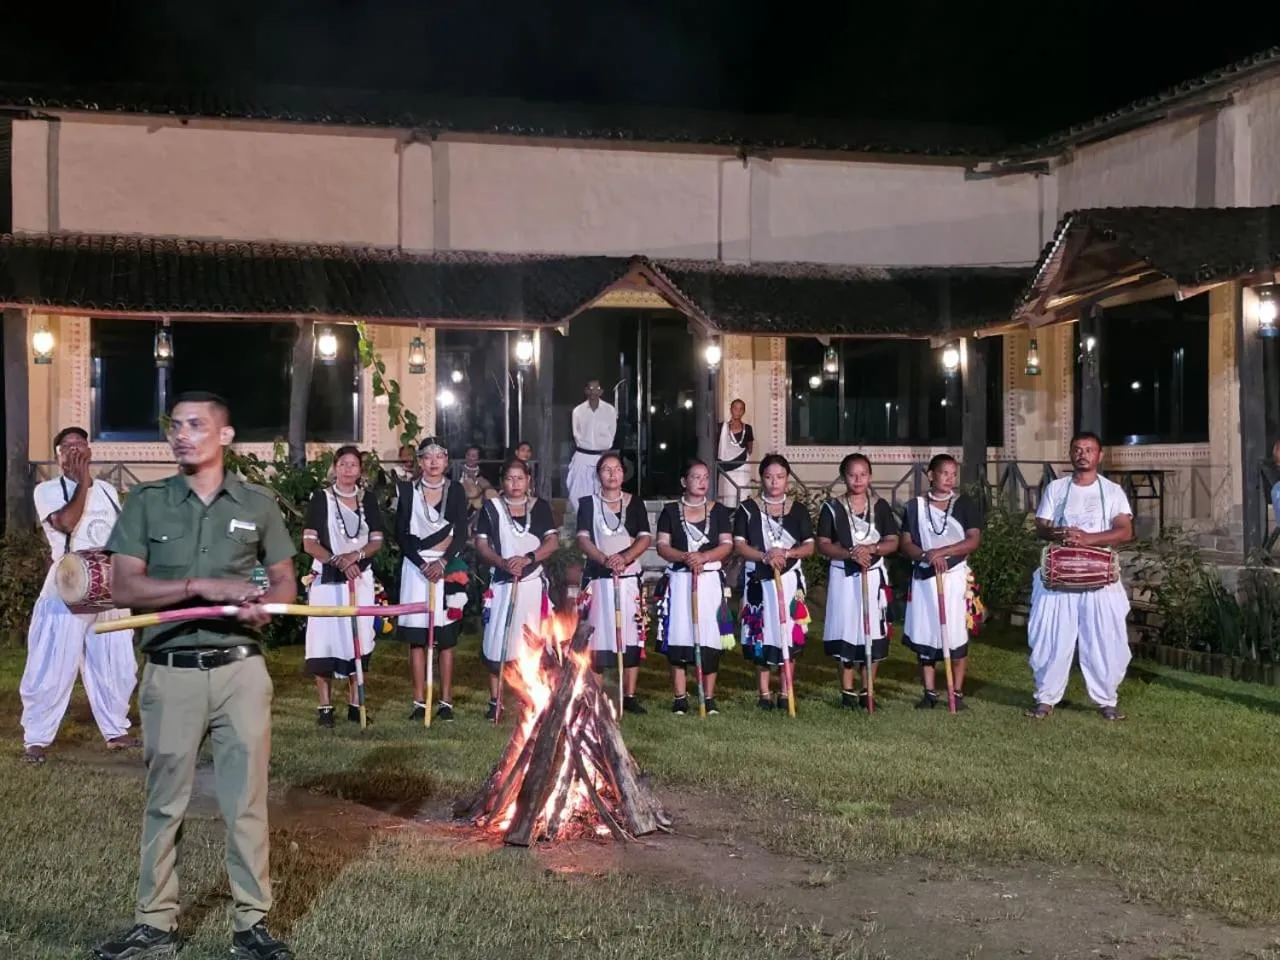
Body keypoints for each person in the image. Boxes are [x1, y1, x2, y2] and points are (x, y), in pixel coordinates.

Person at [96, 392, 297, 960]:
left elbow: (284, 580)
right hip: (170, 671)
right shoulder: (147, 501)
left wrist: (269, 606)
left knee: (246, 801)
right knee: (165, 803)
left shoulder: (257, 503)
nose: (181, 434)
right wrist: (199, 587)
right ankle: (154, 926)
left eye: (195, 425)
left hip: (241, 672)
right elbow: (123, 587)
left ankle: (251, 926)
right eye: (175, 425)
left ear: (225, 437)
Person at [20, 426, 139, 764]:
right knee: (51, 663)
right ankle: (37, 738)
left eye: (81, 445)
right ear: (59, 457)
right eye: (68, 446)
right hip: (67, 586)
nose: (76, 450)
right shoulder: (46, 490)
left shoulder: (107, 490)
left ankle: (116, 730)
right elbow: (68, 523)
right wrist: (82, 478)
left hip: (108, 586)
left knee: (117, 662)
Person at [1027, 431, 1134, 721]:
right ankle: (1045, 698)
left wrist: (1088, 539)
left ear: (1099, 456)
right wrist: (1058, 533)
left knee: (1104, 639)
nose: (1082, 454)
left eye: (1089, 449)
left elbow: (1125, 530)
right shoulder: (1057, 489)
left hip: (1099, 580)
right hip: (1059, 579)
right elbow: (1040, 526)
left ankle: (1106, 700)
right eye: (1077, 449)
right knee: (1050, 638)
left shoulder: (1112, 491)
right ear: (1071, 454)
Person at [301, 445, 386, 727]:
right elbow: (309, 543)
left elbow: (376, 541)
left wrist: (356, 557)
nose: (348, 469)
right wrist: (339, 561)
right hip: (328, 577)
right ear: (335, 467)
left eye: (354, 465)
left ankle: (355, 703)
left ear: (360, 469)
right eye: (343, 464)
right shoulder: (320, 499)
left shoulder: (368, 500)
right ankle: (325, 707)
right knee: (323, 639)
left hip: (359, 577)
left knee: (358, 639)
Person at [474, 457, 559, 720]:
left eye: (520, 478)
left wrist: (529, 558)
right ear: (502, 482)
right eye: (510, 479)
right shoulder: (492, 508)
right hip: (501, 582)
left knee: (531, 640)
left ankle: (532, 696)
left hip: (531, 583)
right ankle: (495, 700)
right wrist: (502, 562)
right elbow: (481, 544)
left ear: (528, 480)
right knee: (498, 637)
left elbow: (553, 541)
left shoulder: (540, 507)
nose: (515, 484)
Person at [899, 454, 985, 710]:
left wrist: (944, 552)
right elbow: (906, 543)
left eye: (953, 474)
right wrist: (927, 555)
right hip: (925, 578)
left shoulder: (964, 504)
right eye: (944, 473)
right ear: (931, 475)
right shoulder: (914, 507)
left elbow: (973, 540)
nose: (950, 478)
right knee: (926, 631)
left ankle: (955, 691)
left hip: (955, 576)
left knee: (957, 632)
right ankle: (929, 692)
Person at [816, 453, 899, 709]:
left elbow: (892, 541)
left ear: (870, 476)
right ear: (844, 477)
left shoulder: (881, 506)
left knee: (873, 631)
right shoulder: (832, 507)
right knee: (846, 629)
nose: (858, 479)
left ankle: (868, 690)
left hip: (873, 576)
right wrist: (850, 553)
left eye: (863, 474)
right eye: (852, 474)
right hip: (844, 576)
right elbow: (823, 543)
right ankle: (847, 690)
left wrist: (871, 549)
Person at [395, 437, 469, 723]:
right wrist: (422, 563)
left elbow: (461, 531)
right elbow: (400, 533)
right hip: (416, 568)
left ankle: (446, 701)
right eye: (427, 457)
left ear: (446, 461)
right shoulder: (406, 491)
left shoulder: (457, 490)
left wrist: (441, 562)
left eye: (439, 456)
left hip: (445, 565)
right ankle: (418, 700)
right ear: (420, 462)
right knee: (417, 639)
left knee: (446, 638)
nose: (434, 462)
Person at [734, 454, 815, 710]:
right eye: (768, 477)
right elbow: (739, 545)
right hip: (759, 577)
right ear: (761, 479)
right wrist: (764, 555)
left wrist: (786, 554)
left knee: (789, 632)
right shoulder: (748, 509)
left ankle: (785, 690)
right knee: (762, 632)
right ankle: (764, 693)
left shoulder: (798, 510)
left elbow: (809, 546)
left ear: (787, 479)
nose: (774, 482)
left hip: (789, 579)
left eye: (780, 477)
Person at [654, 459, 735, 715]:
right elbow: (662, 546)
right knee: (679, 634)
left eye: (706, 478)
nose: (702, 482)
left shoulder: (719, 511)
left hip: (709, 581)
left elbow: (726, 545)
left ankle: (708, 697)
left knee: (710, 637)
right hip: (680, 581)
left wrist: (704, 557)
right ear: (684, 481)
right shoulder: (669, 511)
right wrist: (685, 557)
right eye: (696, 477)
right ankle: (680, 697)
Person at [576, 453, 652, 713]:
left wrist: (625, 558)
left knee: (631, 633)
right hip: (600, 578)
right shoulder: (588, 504)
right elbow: (583, 539)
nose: (612, 474)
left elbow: (644, 538)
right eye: (606, 469)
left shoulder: (635, 503)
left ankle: (629, 695)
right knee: (599, 636)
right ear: (599, 474)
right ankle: (596, 694)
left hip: (629, 577)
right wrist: (605, 559)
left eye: (617, 469)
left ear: (623, 473)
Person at [565, 380, 617, 506]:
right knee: (577, 493)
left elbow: (612, 432)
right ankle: (583, 521)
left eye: (596, 388)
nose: (593, 391)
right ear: (586, 391)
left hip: (602, 456)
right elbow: (576, 433)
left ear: (601, 391)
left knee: (604, 494)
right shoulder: (578, 411)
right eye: (590, 388)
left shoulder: (609, 410)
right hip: (583, 456)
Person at [716, 399, 755, 507]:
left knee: (741, 495)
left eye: (740, 409)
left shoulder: (748, 428)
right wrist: (729, 456)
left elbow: (750, 449)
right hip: (727, 467)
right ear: (731, 410)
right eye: (735, 408)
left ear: (744, 411)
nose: (737, 411)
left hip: (742, 467)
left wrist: (738, 454)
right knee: (728, 496)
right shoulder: (722, 427)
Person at [459, 444, 497, 518]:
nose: (470, 458)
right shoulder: (457, 470)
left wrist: (475, 479)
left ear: (479, 459)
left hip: (478, 504)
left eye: (473, 456)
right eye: (468, 455)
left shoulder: (486, 473)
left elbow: (490, 490)